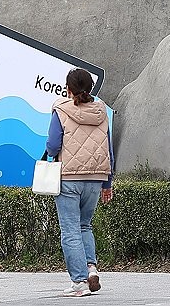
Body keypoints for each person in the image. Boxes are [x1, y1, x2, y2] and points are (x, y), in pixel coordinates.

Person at [46, 68, 115, 297]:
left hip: (69, 178)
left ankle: (79, 282)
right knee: (84, 226)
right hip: (96, 178)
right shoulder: (101, 111)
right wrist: (108, 183)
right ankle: (91, 268)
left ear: (69, 88)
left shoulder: (61, 110)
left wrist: (49, 152)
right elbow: (108, 148)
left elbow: (54, 145)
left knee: (70, 231)